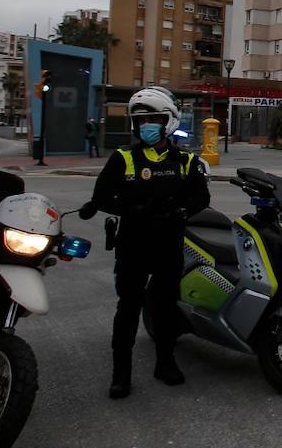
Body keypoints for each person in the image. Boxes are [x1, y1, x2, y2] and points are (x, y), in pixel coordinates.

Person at [87, 86, 210, 399]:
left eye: (153, 119)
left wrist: (180, 210)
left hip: (169, 243)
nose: (147, 126)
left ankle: (165, 363)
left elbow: (201, 198)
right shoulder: (123, 158)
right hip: (133, 243)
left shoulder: (186, 160)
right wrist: (134, 209)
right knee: (128, 307)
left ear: (169, 121)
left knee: (166, 307)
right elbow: (101, 197)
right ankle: (121, 374)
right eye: (141, 120)